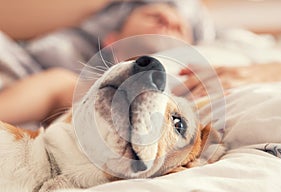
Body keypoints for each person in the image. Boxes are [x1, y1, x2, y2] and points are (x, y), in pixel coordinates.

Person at [0, 0, 211, 125]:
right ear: (113, 40)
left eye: (179, 28)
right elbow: (55, 87)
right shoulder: (74, 82)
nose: (169, 20)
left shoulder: (199, 85)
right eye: (154, 16)